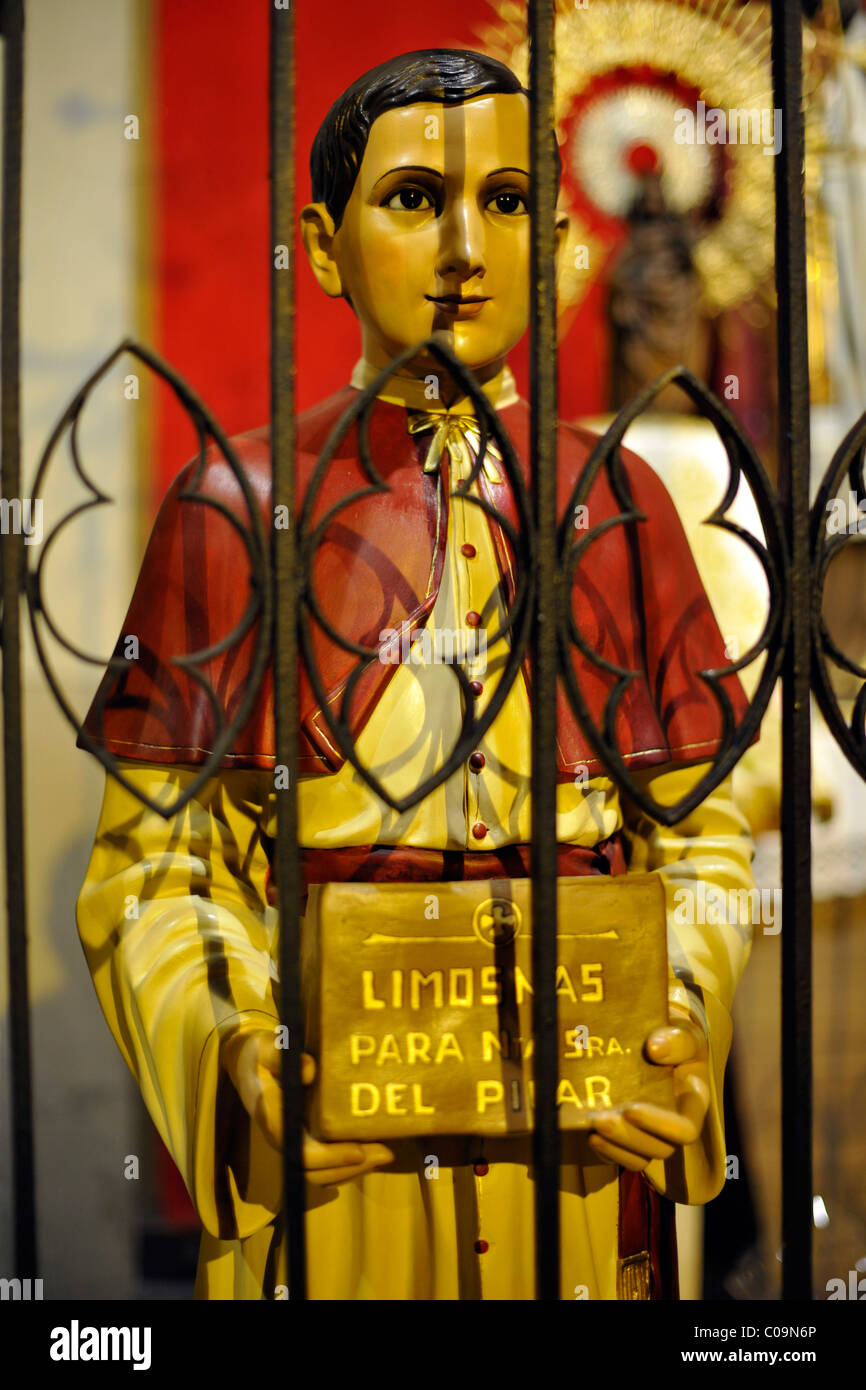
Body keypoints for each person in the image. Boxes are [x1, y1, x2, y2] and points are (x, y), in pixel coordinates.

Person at [75, 49, 756, 1300]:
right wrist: (238, 1055)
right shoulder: (235, 509)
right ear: (323, 247)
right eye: (410, 199)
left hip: (579, 1135)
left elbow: (705, 838)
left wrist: (680, 1018)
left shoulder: (620, 503)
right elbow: (147, 875)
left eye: (504, 203)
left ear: (551, 241)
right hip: (342, 1134)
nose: (463, 249)